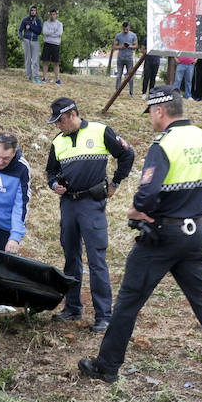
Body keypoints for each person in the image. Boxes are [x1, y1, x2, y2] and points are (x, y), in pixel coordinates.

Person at [77, 85, 202, 388]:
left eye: (151, 114)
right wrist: (191, 208)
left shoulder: (164, 144)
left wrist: (137, 211)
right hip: (194, 233)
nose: (151, 120)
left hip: (160, 236)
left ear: (160, 111)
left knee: (129, 302)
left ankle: (106, 367)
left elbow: (146, 196)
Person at [46, 97, 134, 331]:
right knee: (71, 258)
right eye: (55, 122)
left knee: (96, 260)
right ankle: (73, 308)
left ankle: (104, 315)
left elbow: (127, 155)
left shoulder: (100, 131)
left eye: (60, 120)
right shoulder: (58, 142)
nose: (58, 125)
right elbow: (50, 172)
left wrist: (115, 183)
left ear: (73, 114)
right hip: (68, 204)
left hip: (91, 204)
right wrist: (54, 185)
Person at [18, 5, 42, 82]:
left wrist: (31, 26)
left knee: (35, 60)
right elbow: (19, 31)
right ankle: (28, 76)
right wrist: (22, 38)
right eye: (32, 10)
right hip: (26, 41)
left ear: (36, 12)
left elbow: (38, 31)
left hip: (35, 41)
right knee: (28, 59)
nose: (33, 12)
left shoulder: (38, 21)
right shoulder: (25, 20)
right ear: (29, 11)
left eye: (34, 10)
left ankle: (36, 77)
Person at [113, 21, 138, 96]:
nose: (125, 31)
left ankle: (131, 92)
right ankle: (117, 91)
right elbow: (114, 46)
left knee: (130, 76)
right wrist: (121, 47)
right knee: (119, 75)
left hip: (129, 58)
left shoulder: (133, 35)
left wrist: (129, 46)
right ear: (122, 28)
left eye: (127, 29)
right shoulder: (118, 35)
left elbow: (136, 46)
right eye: (124, 29)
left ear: (129, 27)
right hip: (120, 57)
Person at [40, 9, 63, 85]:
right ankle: (44, 78)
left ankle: (57, 79)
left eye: (54, 14)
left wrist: (50, 33)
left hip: (56, 44)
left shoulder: (59, 24)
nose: (52, 16)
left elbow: (59, 33)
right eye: (51, 14)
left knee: (56, 63)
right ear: (49, 15)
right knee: (45, 61)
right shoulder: (46, 23)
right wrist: (53, 32)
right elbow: (45, 32)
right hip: (47, 43)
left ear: (56, 15)